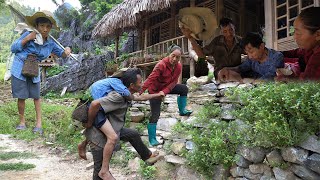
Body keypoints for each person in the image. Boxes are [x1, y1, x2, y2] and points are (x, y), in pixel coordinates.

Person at [83, 68, 163, 180]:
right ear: (131, 85)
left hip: (106, 129)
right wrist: (89, 122)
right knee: (100, 169)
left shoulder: (126, 94)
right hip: (98, 139)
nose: (142, 84)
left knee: (133, 134)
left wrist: (157, 95)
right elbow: (95, 104)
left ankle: (147, 155)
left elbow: (140, 97)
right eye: (140, 82)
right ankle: (104, 171)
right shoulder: (118, 96)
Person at [11, 10, 71, 134]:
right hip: (20, 66)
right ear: (37, 26)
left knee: (36, 96)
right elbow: (14, 48)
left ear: (50, 28)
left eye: (48, 26)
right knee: (21, 96)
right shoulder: (28, 34)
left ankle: (39, 124)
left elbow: (62, 54)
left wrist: (66, 51)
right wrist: (27, 38)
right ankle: (22, 122)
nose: (45, 29)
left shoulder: (50, 43)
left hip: (34, 69)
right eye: (42, 26)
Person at [139, 45, 192, 146]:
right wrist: (140, 91)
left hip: (165, 88)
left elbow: (174, 82)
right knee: (155, 114)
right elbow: (150, 79)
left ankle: (182, 110)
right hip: (154, 91)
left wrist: (164, 91)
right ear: (169, 54)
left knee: (183, 89)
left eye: (178, 57)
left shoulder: (179, 66)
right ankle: (152, 139)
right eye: (173, 56)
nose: (175, 59)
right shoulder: (161, 65)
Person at [276, 7, 320, 81]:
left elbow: (306, 85)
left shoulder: (317, 58)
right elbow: (296, 53)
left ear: (318, 34)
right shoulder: (310, 49)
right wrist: (272, 53)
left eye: (298, 33)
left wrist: (287, 79)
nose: (294, 37)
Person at [219, 32, 284, 81]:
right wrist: (227, 69)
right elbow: (241, 68)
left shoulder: (277, 57)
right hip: (254, 85)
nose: (250, 56)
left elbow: (270, 77)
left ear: (261, 46)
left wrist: (249, 83)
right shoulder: (252, 59)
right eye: (247, 53)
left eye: (251, 52)